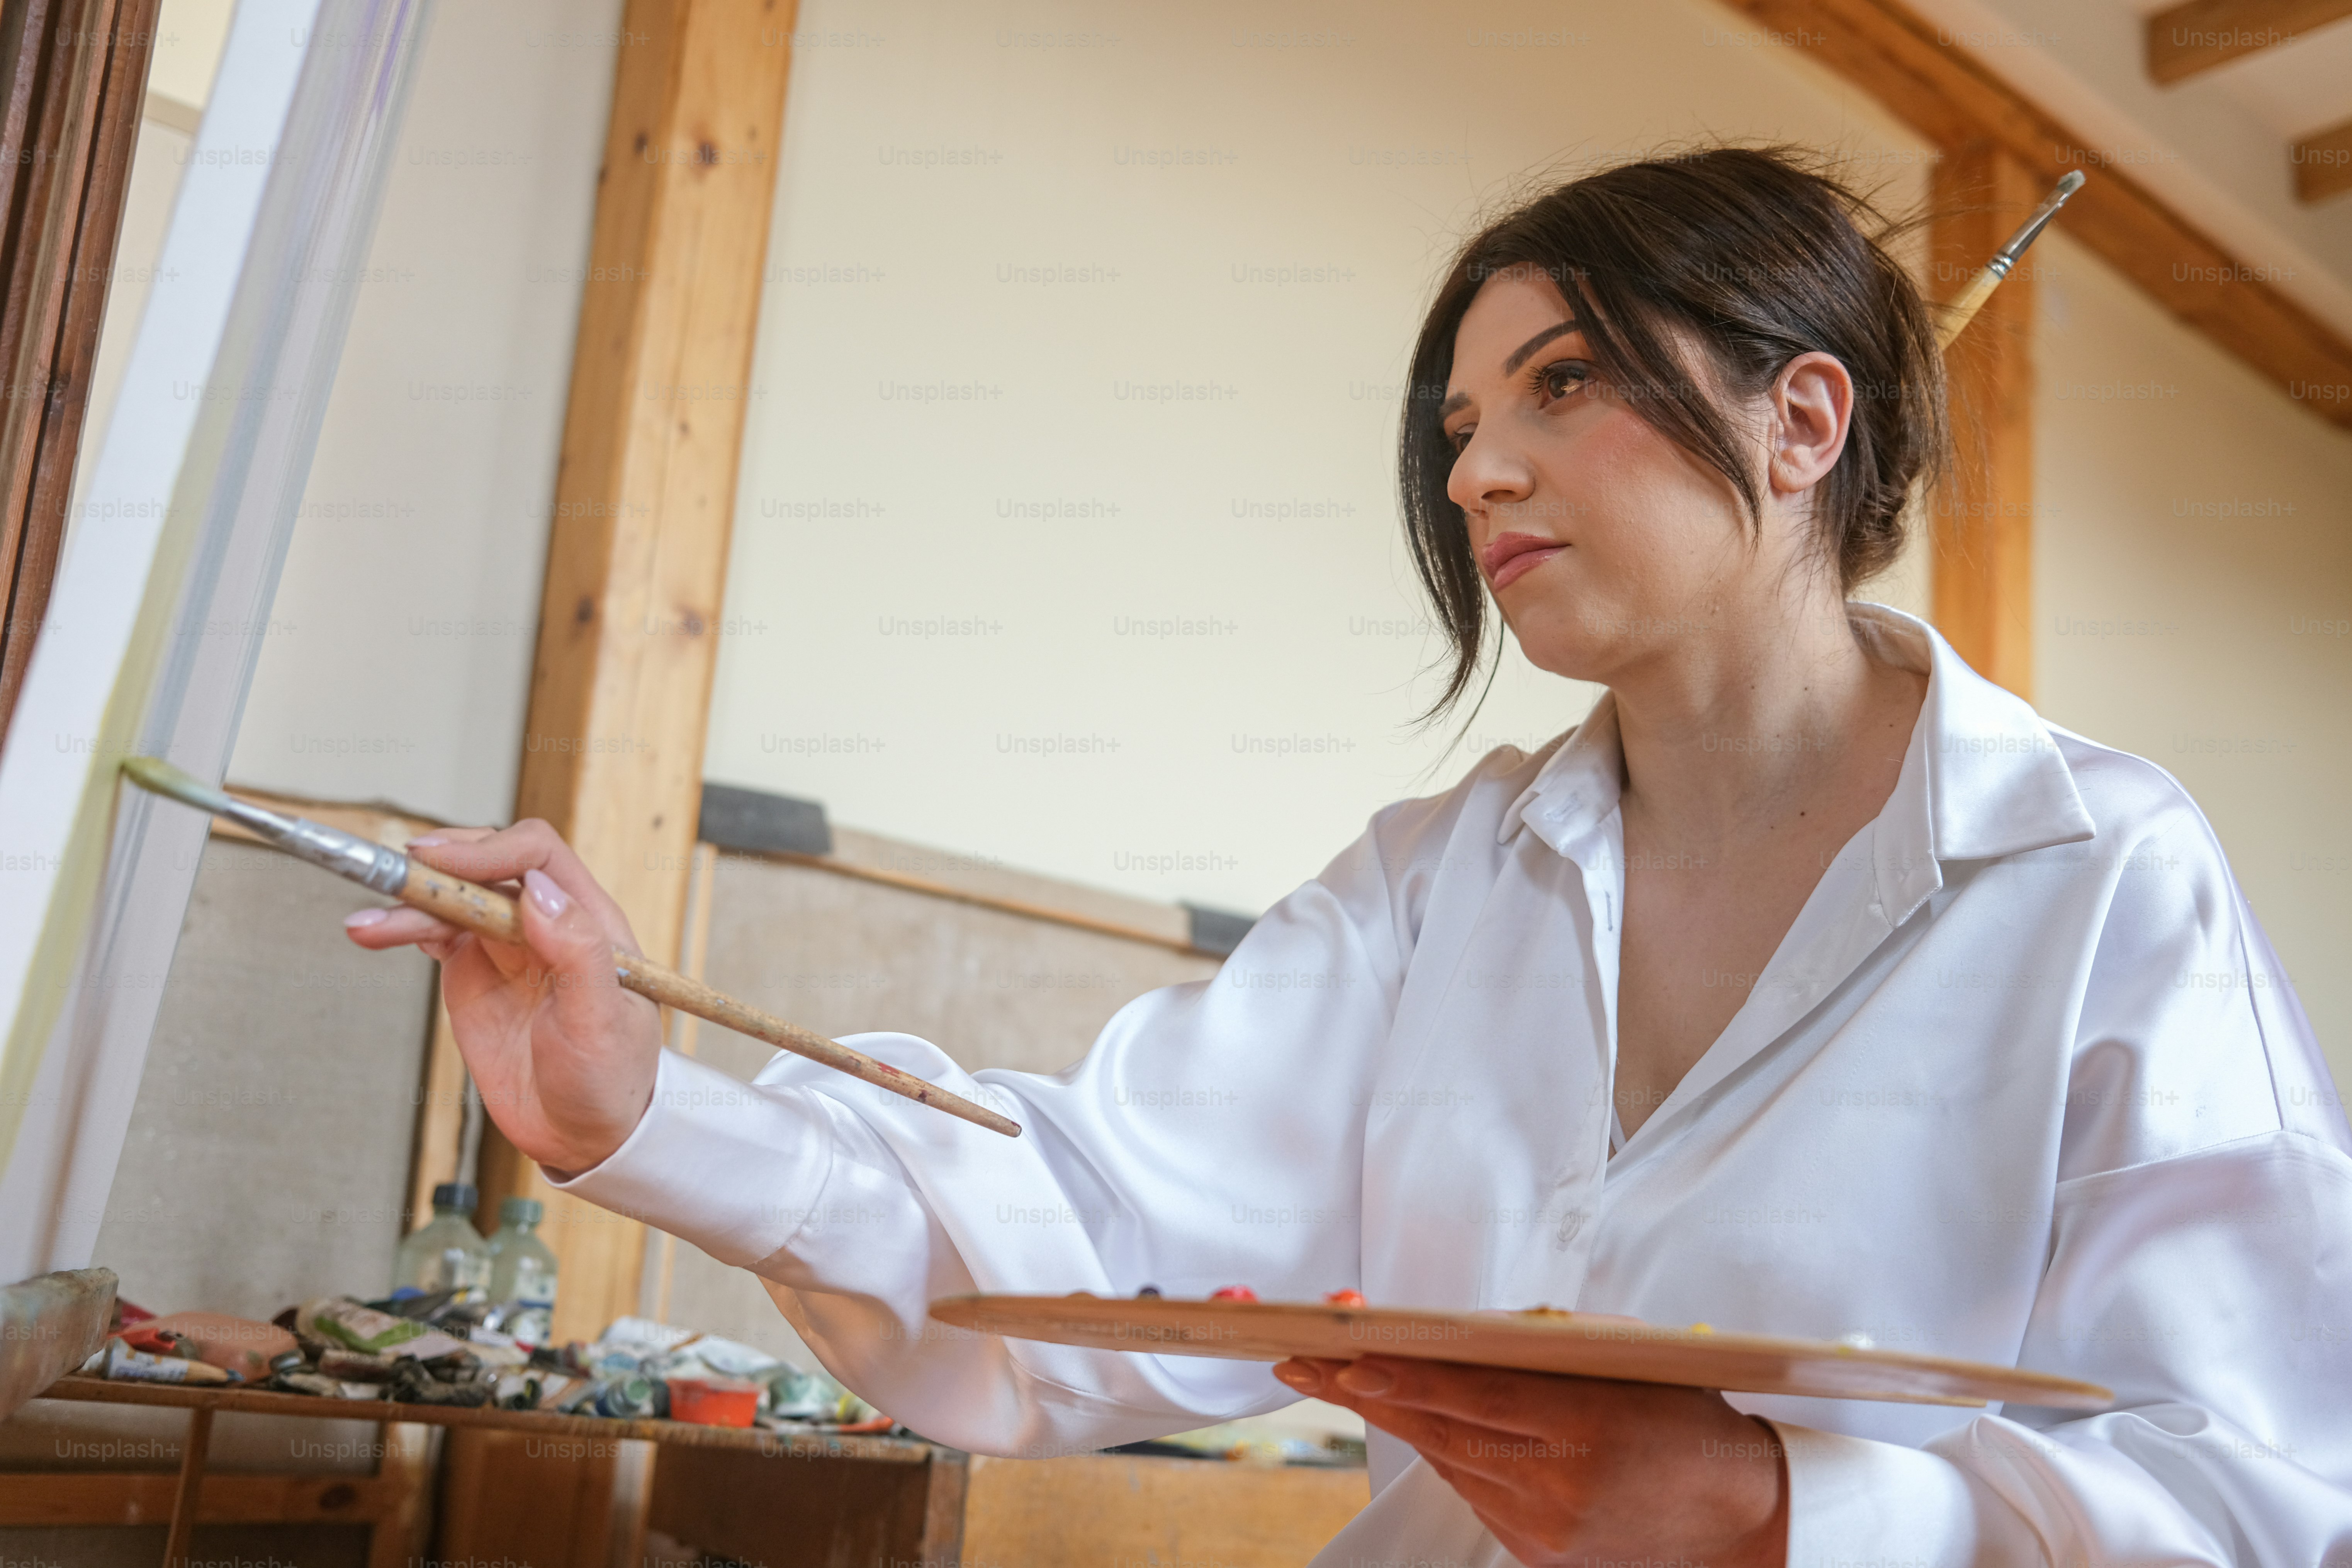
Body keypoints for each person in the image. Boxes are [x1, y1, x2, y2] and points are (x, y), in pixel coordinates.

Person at [346, 148, 2352, 1565]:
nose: (1477, 466)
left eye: (1564, 385)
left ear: (1805, 417)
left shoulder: (2097, 874)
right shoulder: (1434, 883)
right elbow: (1106, 1220)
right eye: (1465, 416)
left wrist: (1787, 1522)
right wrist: (633, 1107)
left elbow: (2266, 1492)